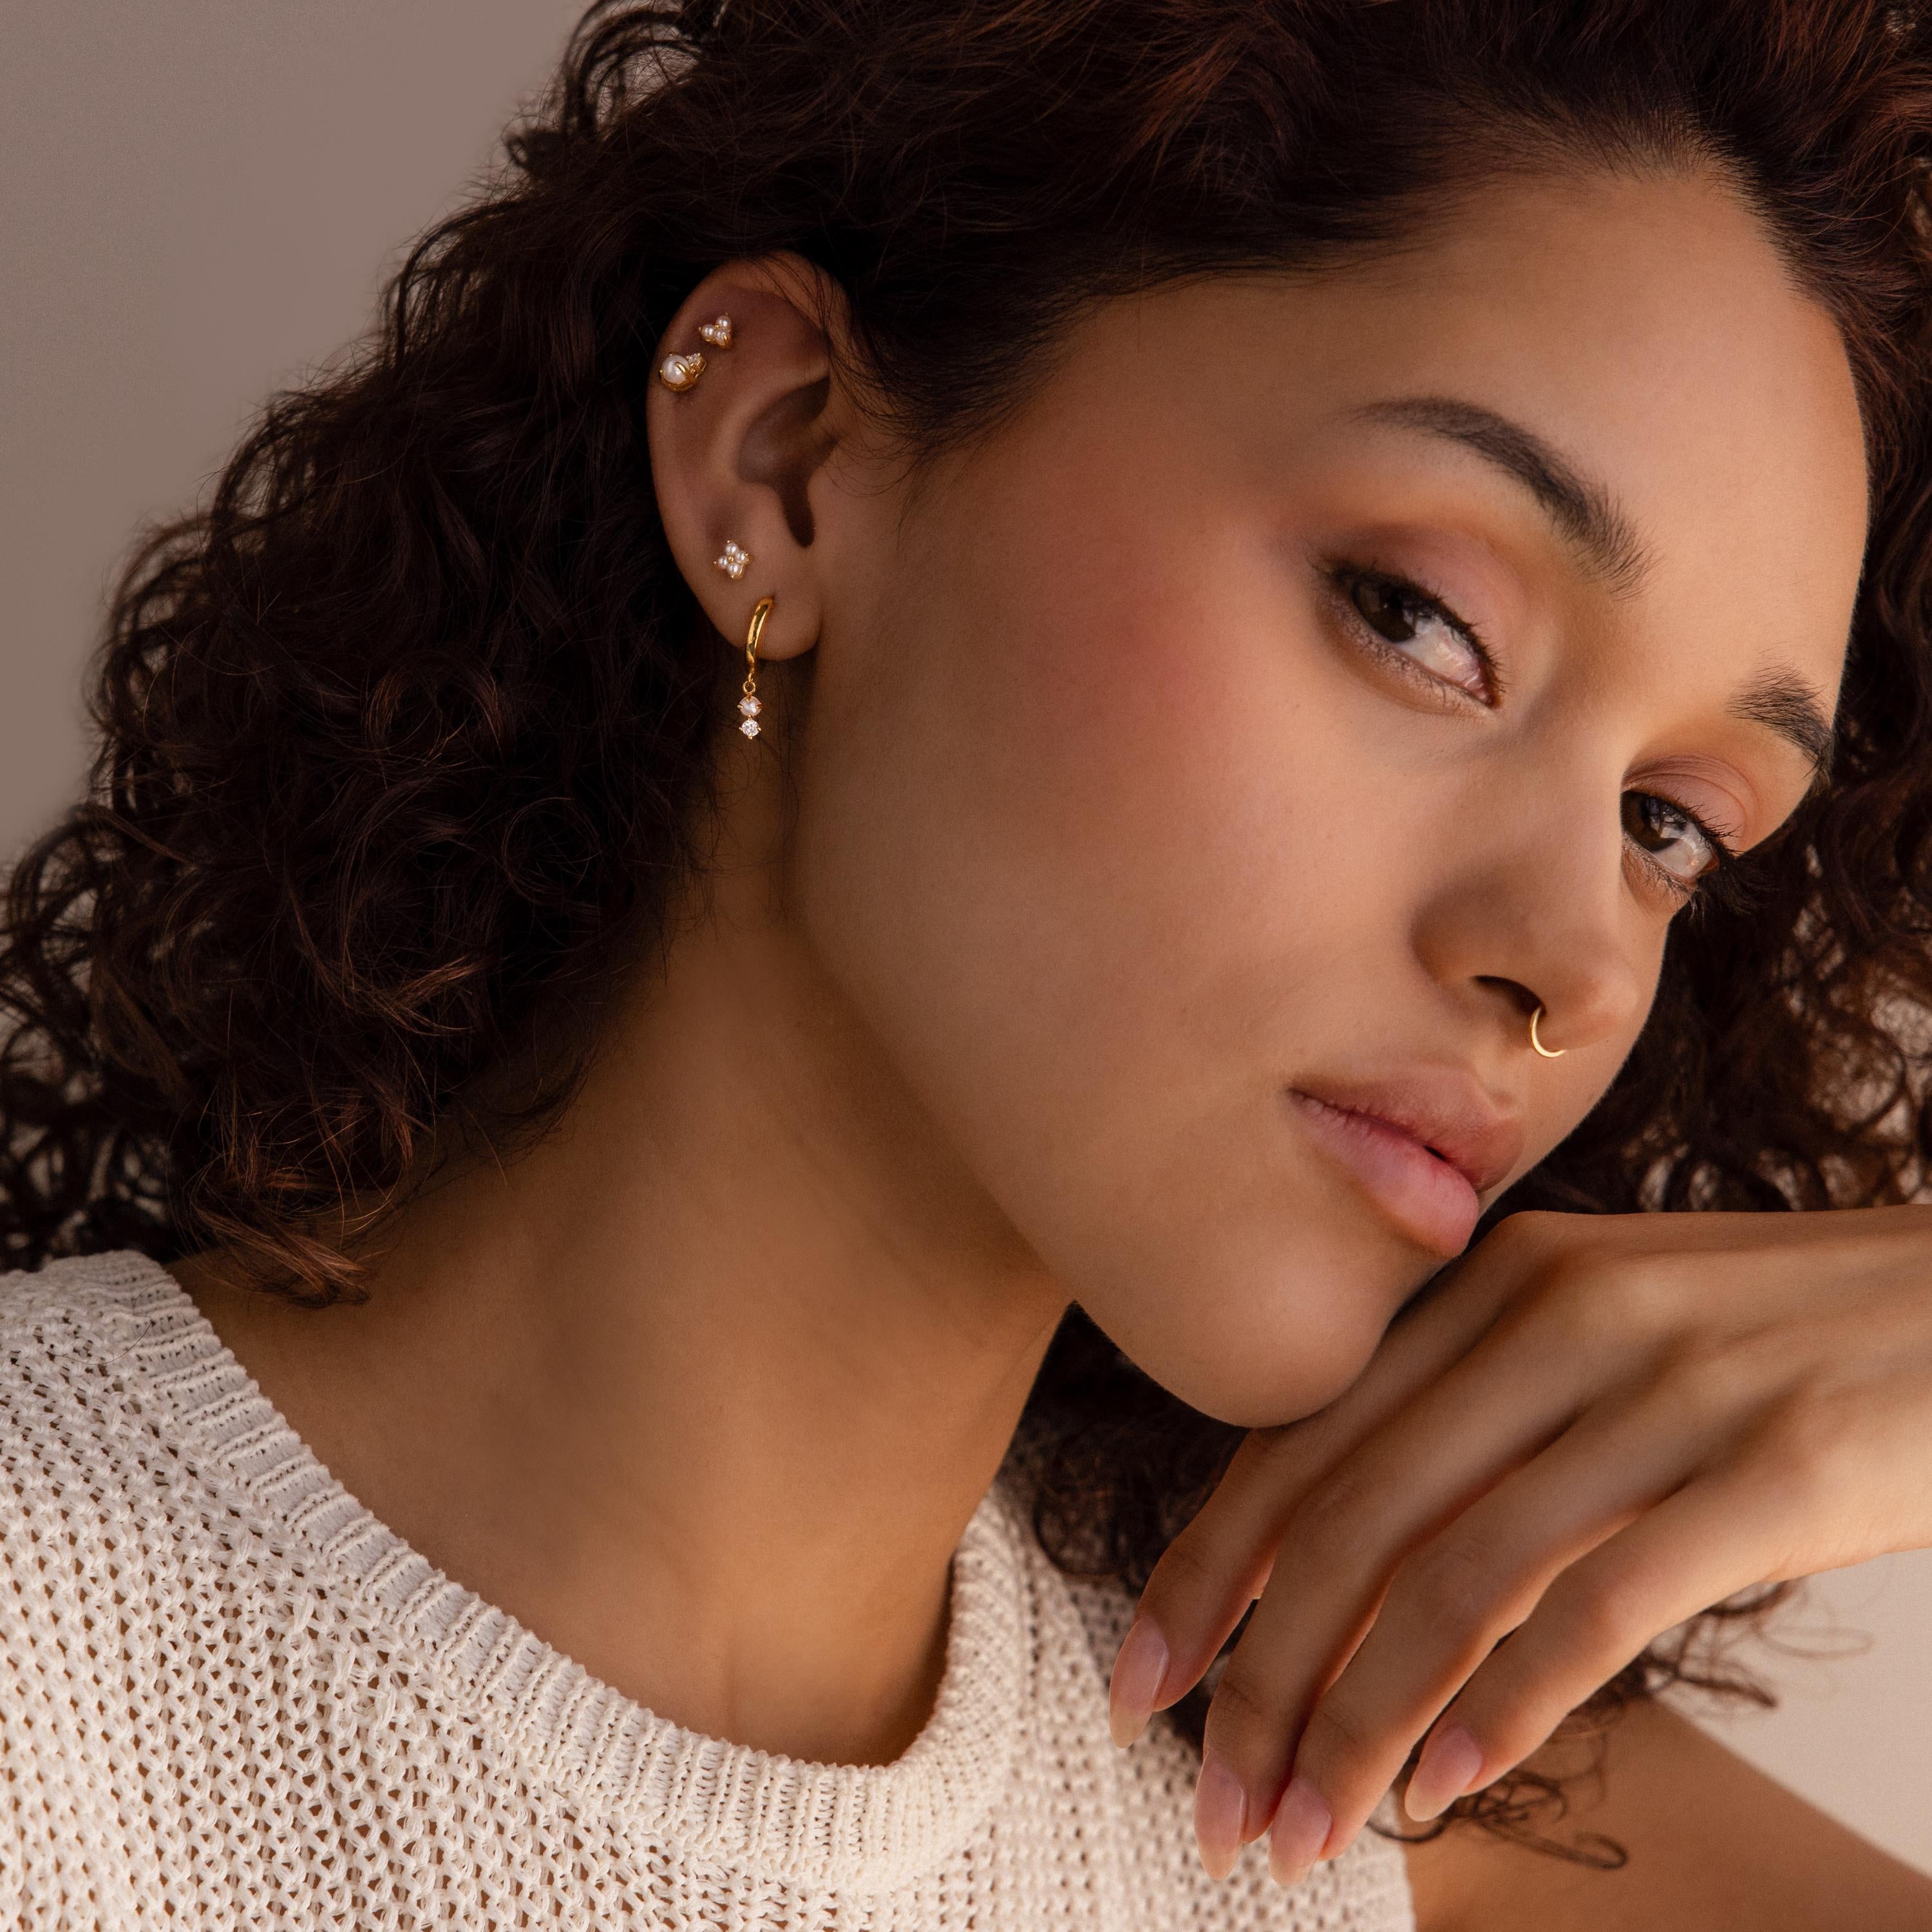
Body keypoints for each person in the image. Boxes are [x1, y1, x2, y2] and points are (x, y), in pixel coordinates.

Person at [6, 0, 1932, 1924]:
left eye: (1673, 823)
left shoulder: (1349, 1823)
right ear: (786, 465)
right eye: (1420, 619)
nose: (1567, 965)